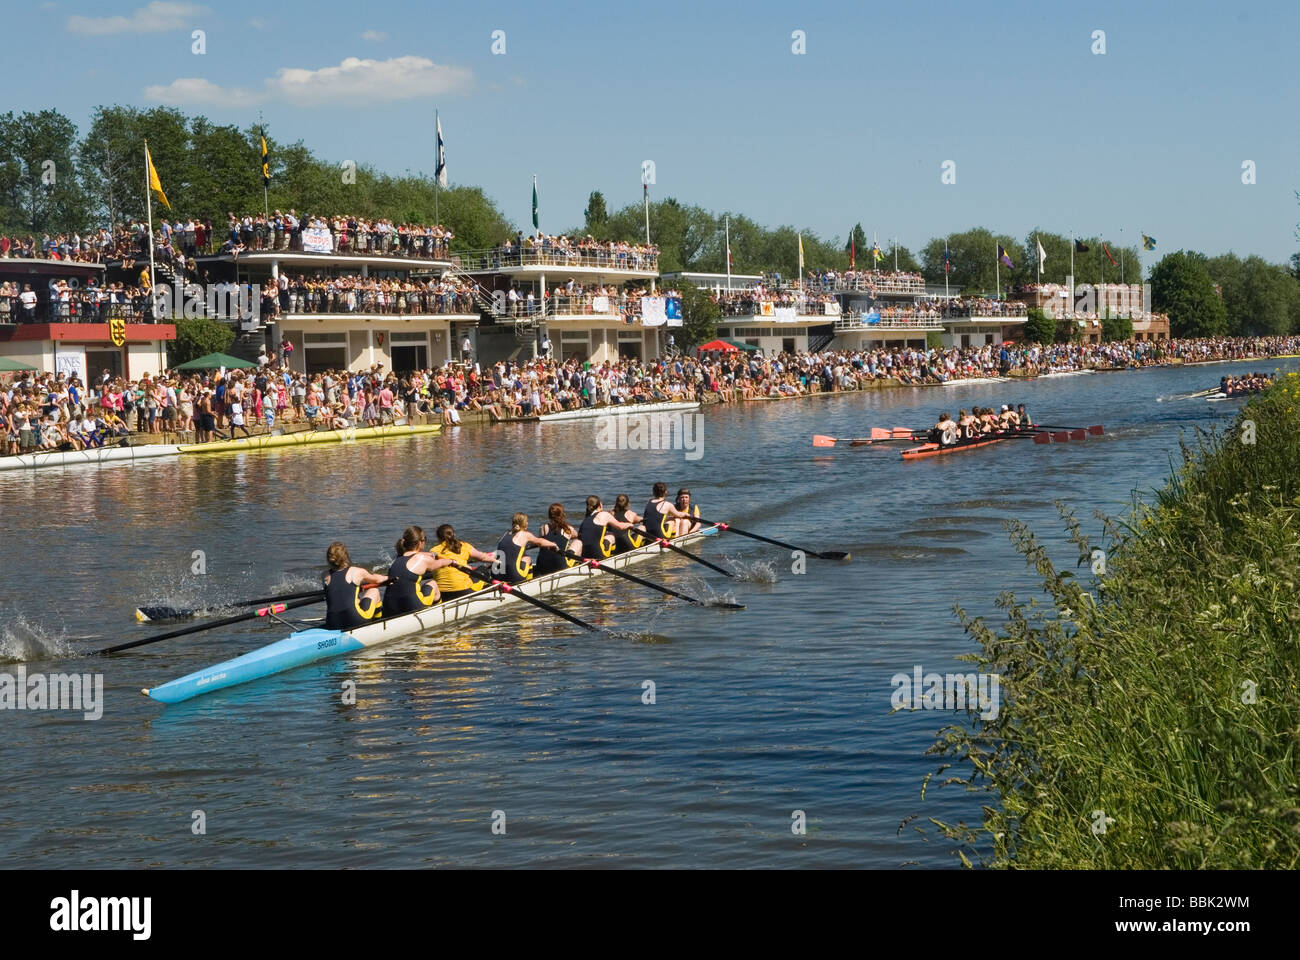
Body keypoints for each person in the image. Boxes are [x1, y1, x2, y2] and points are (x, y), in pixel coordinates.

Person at [384, 526, 455, 615]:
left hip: (389, 607)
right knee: (433, 583)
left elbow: (414, 554)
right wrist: (452, 561)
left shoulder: (397, 558)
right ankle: (439, 614)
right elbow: (440, 564)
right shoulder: (422, 559)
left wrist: (432, 554)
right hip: (411, 606)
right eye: (424, 539)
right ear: (420, 543)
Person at [323, 541, 387, 630]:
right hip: (354, 620)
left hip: (332, 622)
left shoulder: (325, 575)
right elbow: (377, 580)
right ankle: (379, 624)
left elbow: (340, 591)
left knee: (354, 600)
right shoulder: (356, 572)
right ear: (346, 557)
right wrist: (387, 578)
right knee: (374, 590)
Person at [431, 523, 497, 601]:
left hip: (443, 594)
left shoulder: (433, 551)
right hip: (464, 591)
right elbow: (483, 558)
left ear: (438, 538)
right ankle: (488, 587)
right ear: (453, 534)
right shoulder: (463, 546)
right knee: (482, 569)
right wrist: (495, 560)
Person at [496, 512, 558, 583]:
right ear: (525, 523)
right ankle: (529, 582)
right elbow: (540, 541)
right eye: (527, 521)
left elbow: (510, 550)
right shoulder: (525, 535)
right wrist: (553, 544)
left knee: (517, 558)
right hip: (514, 576)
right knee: (527, 558)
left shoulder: (505, 534)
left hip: (497, 575)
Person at [578, 495, 635, 560]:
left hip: (585, 555)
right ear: (600, 505)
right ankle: (616, 553)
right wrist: (630, 525)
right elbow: (620, 526)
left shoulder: (585, 519)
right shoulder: (604, 514)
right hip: (599, 555)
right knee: (611, 536)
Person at [535, 503, 583, 575]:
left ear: (549, 516)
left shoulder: (543, 528)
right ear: (563, 514)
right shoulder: (568, 529)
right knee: (578, 542)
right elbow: (576, 536)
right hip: (560, 566)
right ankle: (578, 566)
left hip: (542, 566)